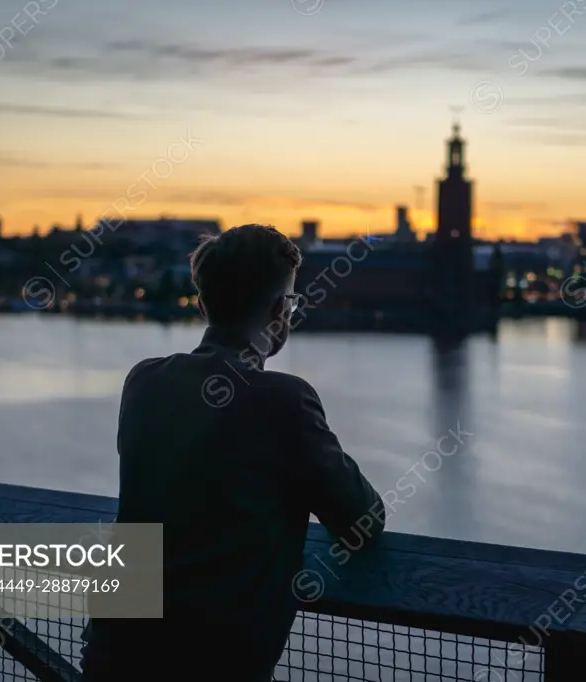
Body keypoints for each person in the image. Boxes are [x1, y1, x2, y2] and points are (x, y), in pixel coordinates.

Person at [80, 224, 386, 681]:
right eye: (292, 302)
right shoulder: (286, 401)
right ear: (281, 312)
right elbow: (364, 520)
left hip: (113, 655)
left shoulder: (143, 382)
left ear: (203, 305)